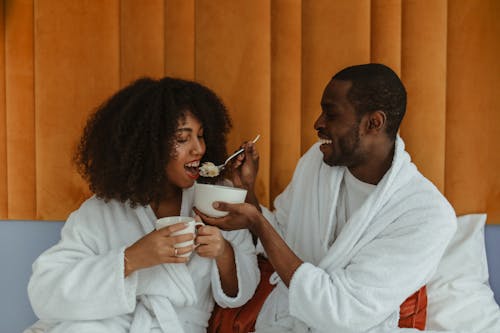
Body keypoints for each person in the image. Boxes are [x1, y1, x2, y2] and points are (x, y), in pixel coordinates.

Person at [197, 64, 457, 332]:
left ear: (373, 123)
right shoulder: (317, 163)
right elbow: (284, 238)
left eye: (331, 114)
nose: (318, 123)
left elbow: (341, 313)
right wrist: (248, 193)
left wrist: (257, 223)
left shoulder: (427, 215)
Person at [25, 77, 259, 333]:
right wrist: (131, 259)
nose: (198, 149)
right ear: (148, 144)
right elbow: (45, 290)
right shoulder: (103, 210)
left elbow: (244, 290)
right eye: (182, 138)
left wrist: (223, 252)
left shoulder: (216, 198)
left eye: (201, 136)